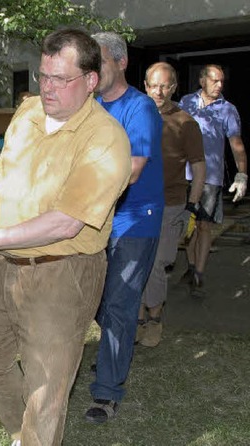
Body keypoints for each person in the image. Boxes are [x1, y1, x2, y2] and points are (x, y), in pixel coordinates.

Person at [0, 28, 131, 445]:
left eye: (61, 79)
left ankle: (36, 437)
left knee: (46, 392)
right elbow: (3, 175)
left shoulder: (107, 140)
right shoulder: (26, 113)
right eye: (44, 76)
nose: (48, 88)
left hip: (61, 274)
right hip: (1, 265)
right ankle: (25, 436)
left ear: (91, 80)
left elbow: (66, 222)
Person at [86, 31, 164, 423]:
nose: (93, 70)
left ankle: (106, 392)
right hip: (99, 218)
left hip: (137, 218)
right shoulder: (92, 107)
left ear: (120, 62)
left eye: (98, 61)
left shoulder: (141, 108)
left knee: (118, 302)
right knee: (98, 297)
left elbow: (131, 173)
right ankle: (113, 351)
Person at [138, 62, 206, 347]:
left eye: (165, 85)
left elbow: (199, 167)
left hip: (172, 203)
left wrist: (192, 205)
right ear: (145, 86)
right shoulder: (136, 115)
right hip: (137, 203)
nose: (159, 91)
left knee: (157, 264)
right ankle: (138, 319)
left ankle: (154, 318)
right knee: (137, 262)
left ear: (174, 87)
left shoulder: (185, 122)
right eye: (154, 85)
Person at [178, 64, 247, 297]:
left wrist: (242, 174)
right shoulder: (186, 102)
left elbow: (236, 144)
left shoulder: (227, 109)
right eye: (215, 80)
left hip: (210, 178)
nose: (219, 85)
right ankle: (189, 265)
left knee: (204, 225)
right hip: (184, 174)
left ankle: (199, 273)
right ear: (202, 81)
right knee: (187, 225)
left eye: (222, 81)